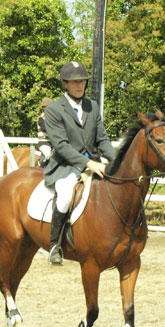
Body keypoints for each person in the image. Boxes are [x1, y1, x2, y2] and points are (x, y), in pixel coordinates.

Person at [43, 61, 116, 265]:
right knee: (66, 194)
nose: (80, 85)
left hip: (94, 161)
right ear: (65, 83)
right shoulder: (54, 110)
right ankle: (54, 245)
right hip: (65, 166)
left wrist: (117, 160)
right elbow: (61, 145)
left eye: (82, 81)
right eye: (75, 82)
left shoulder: (92, 106)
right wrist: (88, 163)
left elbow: (102, 139)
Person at [36, 97, 53, 166]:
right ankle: (41, 166)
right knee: (49, 155)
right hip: (44, 143)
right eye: (45, 107)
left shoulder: (54, 118)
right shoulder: (41, 119)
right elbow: (48, 129)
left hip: (53, 143)